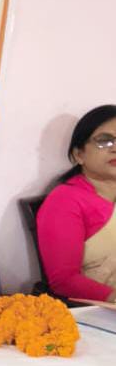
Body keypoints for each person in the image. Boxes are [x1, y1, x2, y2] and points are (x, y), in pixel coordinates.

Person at [36, 105, 116, 302]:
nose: (115, 148)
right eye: (104, 141)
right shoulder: (64, 201)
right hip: (98, 311)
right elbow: (64, 281)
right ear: (79, 154)